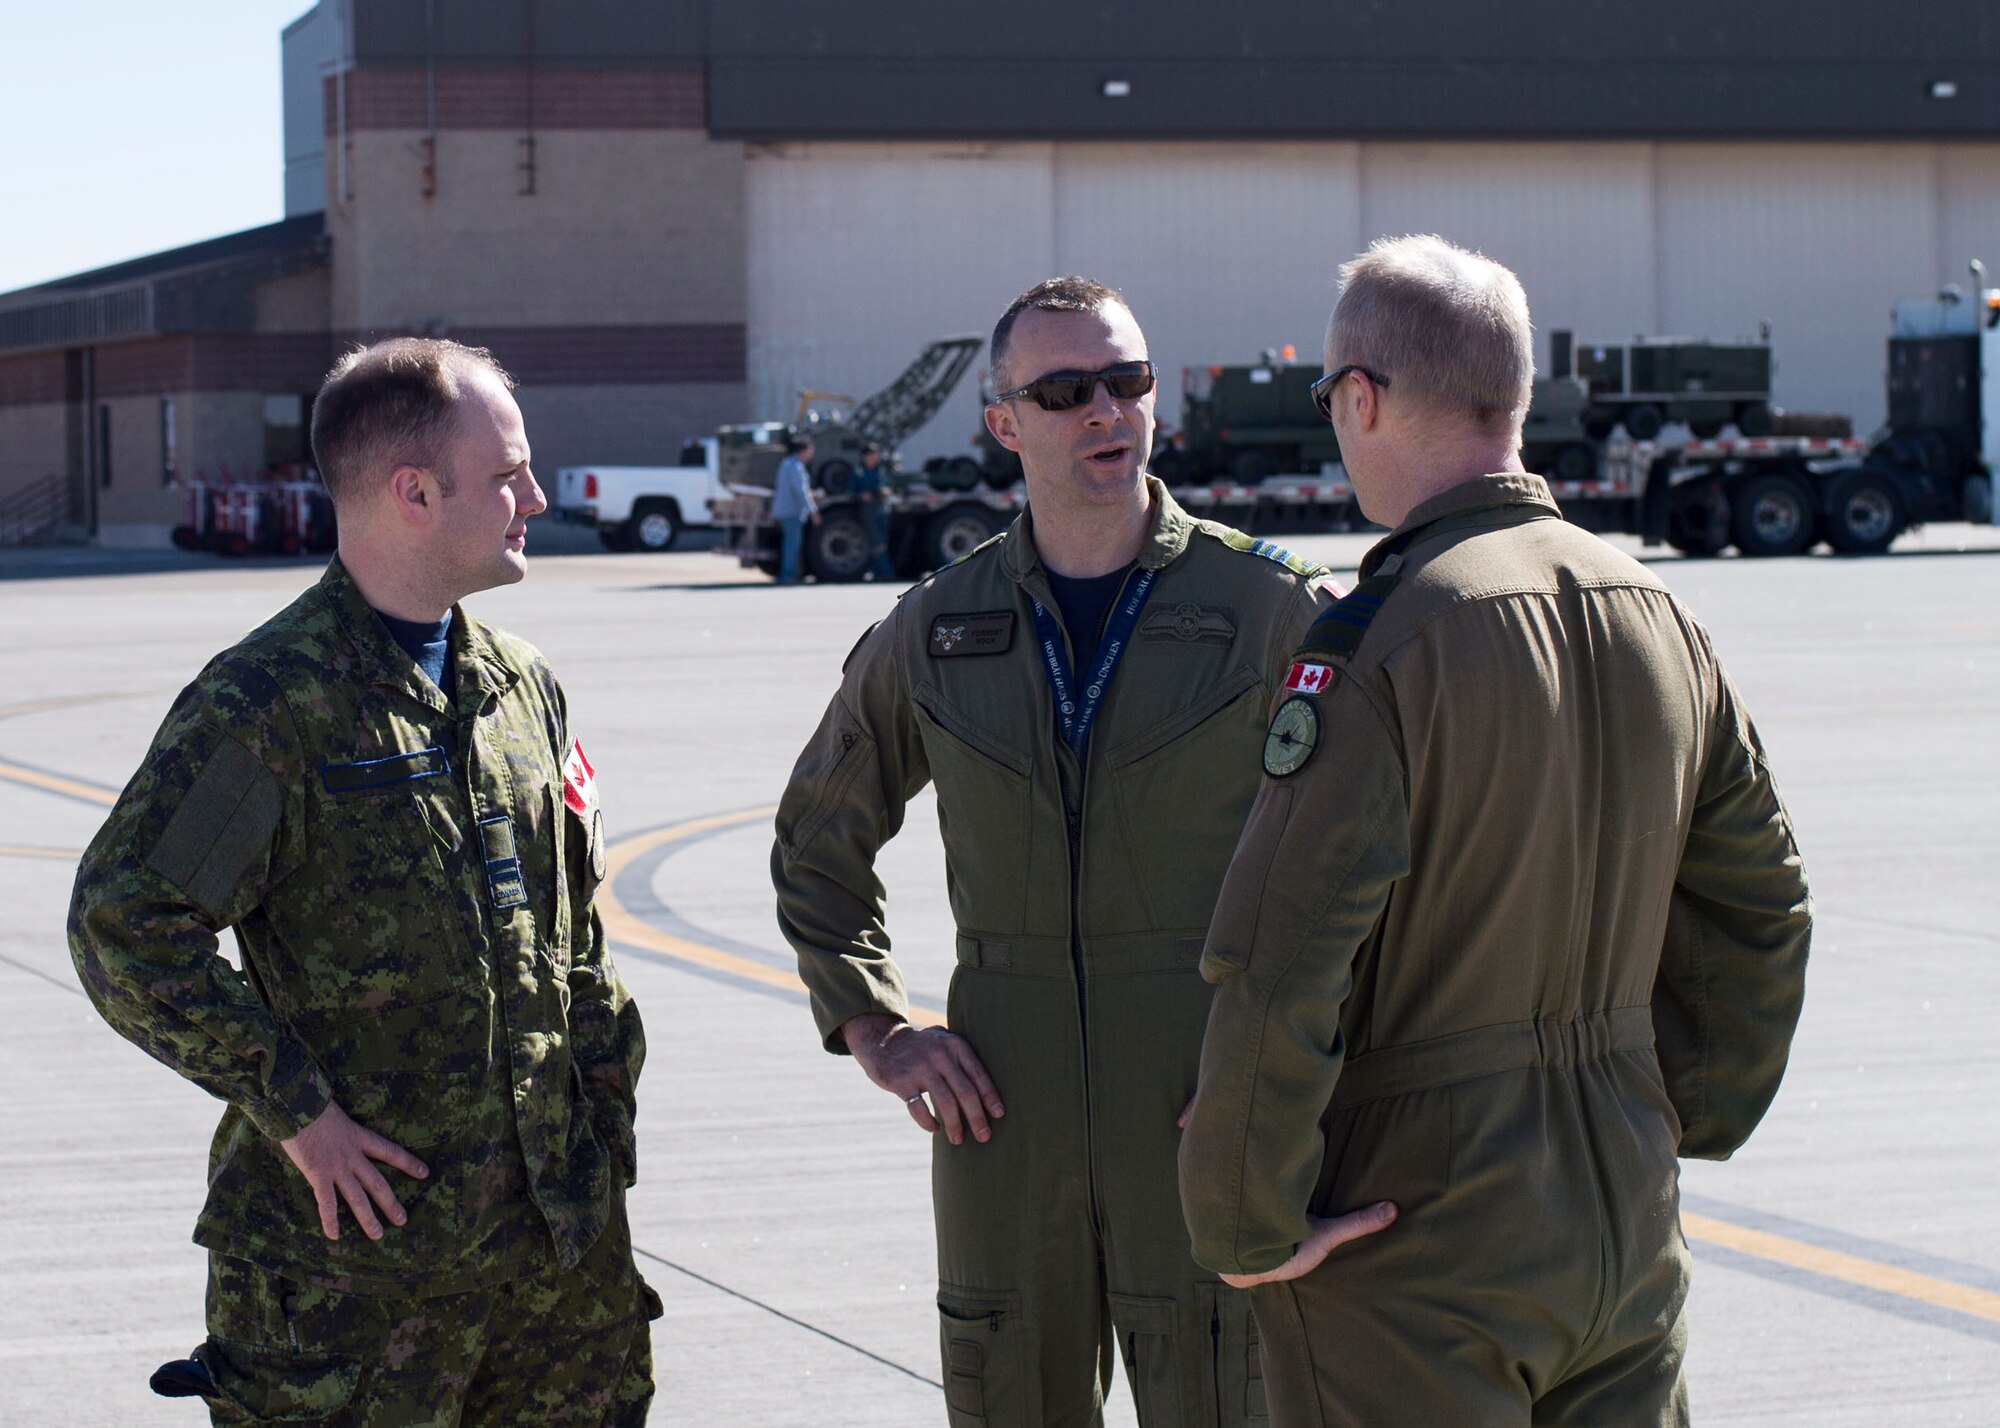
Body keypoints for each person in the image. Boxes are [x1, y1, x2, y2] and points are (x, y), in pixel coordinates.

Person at [1179, 234, 1812, 1427]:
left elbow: (1282, 955)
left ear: (1359, 397)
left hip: (1417, 1240)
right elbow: (1762, 908)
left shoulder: (1375, 640)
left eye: (1328, 396)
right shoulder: (1656, 609)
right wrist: (1670, 1112)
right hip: (1621, 1215)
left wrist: (1240, 1222)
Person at [772, 276, 1383, 1427]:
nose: (1106, 410)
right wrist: (875, 1026)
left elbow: (1382, 855)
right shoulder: (936, 627)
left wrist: (1295, 1067)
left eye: (1127, 380)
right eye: (1063, 391)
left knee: (1227, 1393)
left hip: (1201, 1098)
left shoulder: (1270, 609)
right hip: (1002, 1110)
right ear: (1003, 424)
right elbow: (818, 838)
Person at [68, 337, 655, 1424]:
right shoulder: (275, 702)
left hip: (555, 1265)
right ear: (414, 492)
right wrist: (295, 1109)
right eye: (506, 475)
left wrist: (603, 1117)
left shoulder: (518, 685)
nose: (533, 495)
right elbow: (125, 924)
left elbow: (575, 932)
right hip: (363, 1286)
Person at [773, 436, 820, 583]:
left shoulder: (787, 463)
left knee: (790, 543)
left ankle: (789, 573)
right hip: (792, 511)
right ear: (803, 450)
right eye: (810, 449)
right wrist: (813, 511)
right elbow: (800, 491)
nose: (812, 453)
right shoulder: (796, 466)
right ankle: (788, 575)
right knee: (792, 544)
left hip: (785, 510)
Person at [851, 441, 896, 579]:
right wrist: (861, 495)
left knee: (881, 541)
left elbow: (888, 485)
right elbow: (853, 488)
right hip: (869, 510)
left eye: (876, 455)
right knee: (876, 541)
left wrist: (885, 491)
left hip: (882, 509)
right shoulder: (858, 470)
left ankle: (881, 571)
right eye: (871, 455)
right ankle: (884, 571)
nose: (874, 458)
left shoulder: (881, 470)